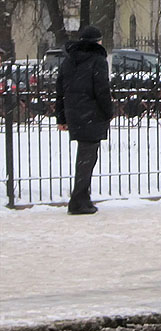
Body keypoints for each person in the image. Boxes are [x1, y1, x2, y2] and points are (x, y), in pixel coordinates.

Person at [54, 25, 113, 215]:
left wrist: (62, 116)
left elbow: (60, 91)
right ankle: (78, 200)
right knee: (88, 158)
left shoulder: (69, 61)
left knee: (84, 157)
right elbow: (102, 90)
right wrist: (108, 112)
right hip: (92, 113)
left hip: (75, 113)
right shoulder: (98, 61)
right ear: (97, 41)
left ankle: (83, 197)